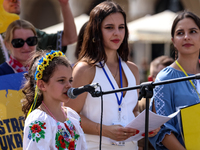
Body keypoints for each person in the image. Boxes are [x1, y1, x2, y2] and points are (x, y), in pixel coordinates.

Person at [65, 1, 159, 149]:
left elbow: (132, 110)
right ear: (96, 31)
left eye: (121, 27)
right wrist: (104, 131)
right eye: (109, 28)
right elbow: (68, 116)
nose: (117, 33)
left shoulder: (132, 69)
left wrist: (145, 126)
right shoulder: (85, 69)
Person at [149, 11, 200, 150]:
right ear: (173, 41)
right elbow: (162, 130)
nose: (187, 37)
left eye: (193, 31)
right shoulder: (165, 78)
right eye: (180, 33)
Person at [22, 50, 87, 150]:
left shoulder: (72, 116)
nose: (69, 85)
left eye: (70, 80)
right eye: (61, 80)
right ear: (42, 85)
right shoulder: (39, 120)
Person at [0, 0, 77, 64]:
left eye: (31, 41)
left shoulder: (29, 32)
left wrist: (64, 4)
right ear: (7, 44)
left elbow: (70, 38)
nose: (26, 46)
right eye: (18, 42)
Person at [138, 55, 174, 150]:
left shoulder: (183, 99)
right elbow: (140, 144)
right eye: (159, 77)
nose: (164, 81)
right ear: (150, 79)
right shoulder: (144, 103)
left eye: (168, 77)